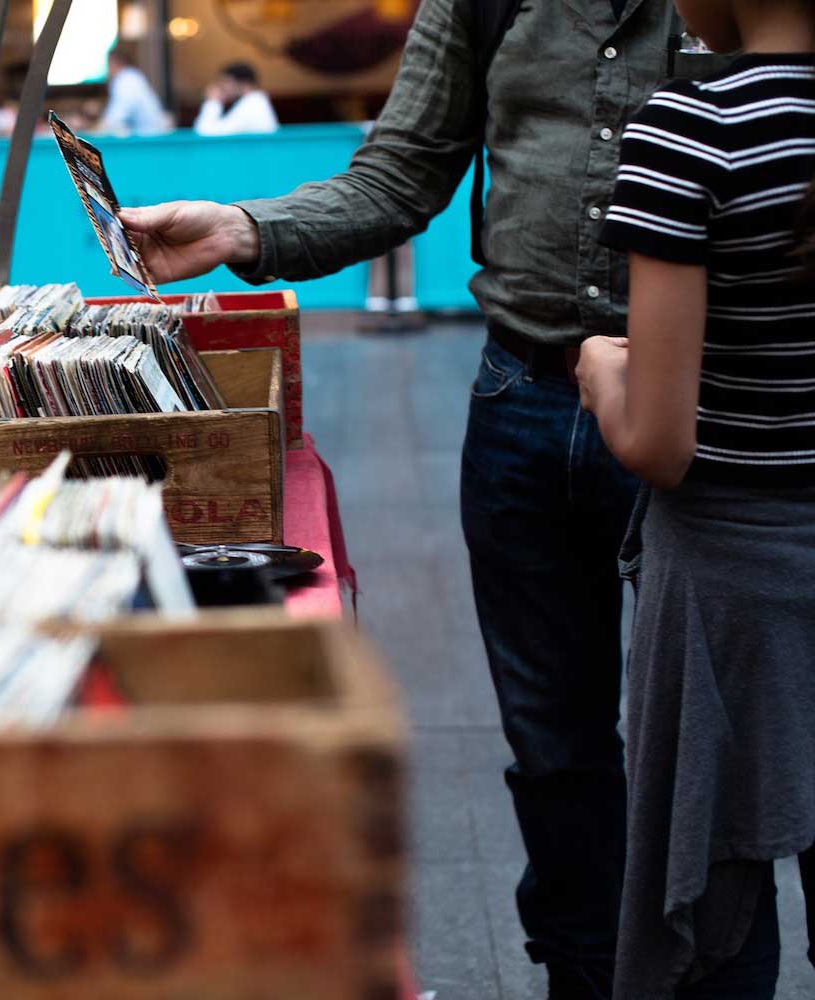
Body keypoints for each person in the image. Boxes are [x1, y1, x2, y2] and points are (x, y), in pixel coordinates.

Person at [118, 3, 727, 996]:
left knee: (707, 747)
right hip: (521, 402)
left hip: (700, 406)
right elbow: (399, 175)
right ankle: (583, 972)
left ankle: (699, 975)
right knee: (553, 743)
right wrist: (240, 228)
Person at [576, 1, 815, 996]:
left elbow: (660, 445)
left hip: (726, 579)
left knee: (712, 915)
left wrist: (600, 370)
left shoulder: (693, 126)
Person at [193, 62, 279, 137]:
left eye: (227, 82)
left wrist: (212, 101)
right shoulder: (254, 101)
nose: (222, 87)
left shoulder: (253, 104)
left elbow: (204, 133)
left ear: (245, 84)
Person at [99, 48, 168, 136]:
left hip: (150, 140)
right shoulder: (131, 76)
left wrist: (92, 131)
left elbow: (115, 118)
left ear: (111, 63)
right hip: (148, 137)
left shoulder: (126, 80)